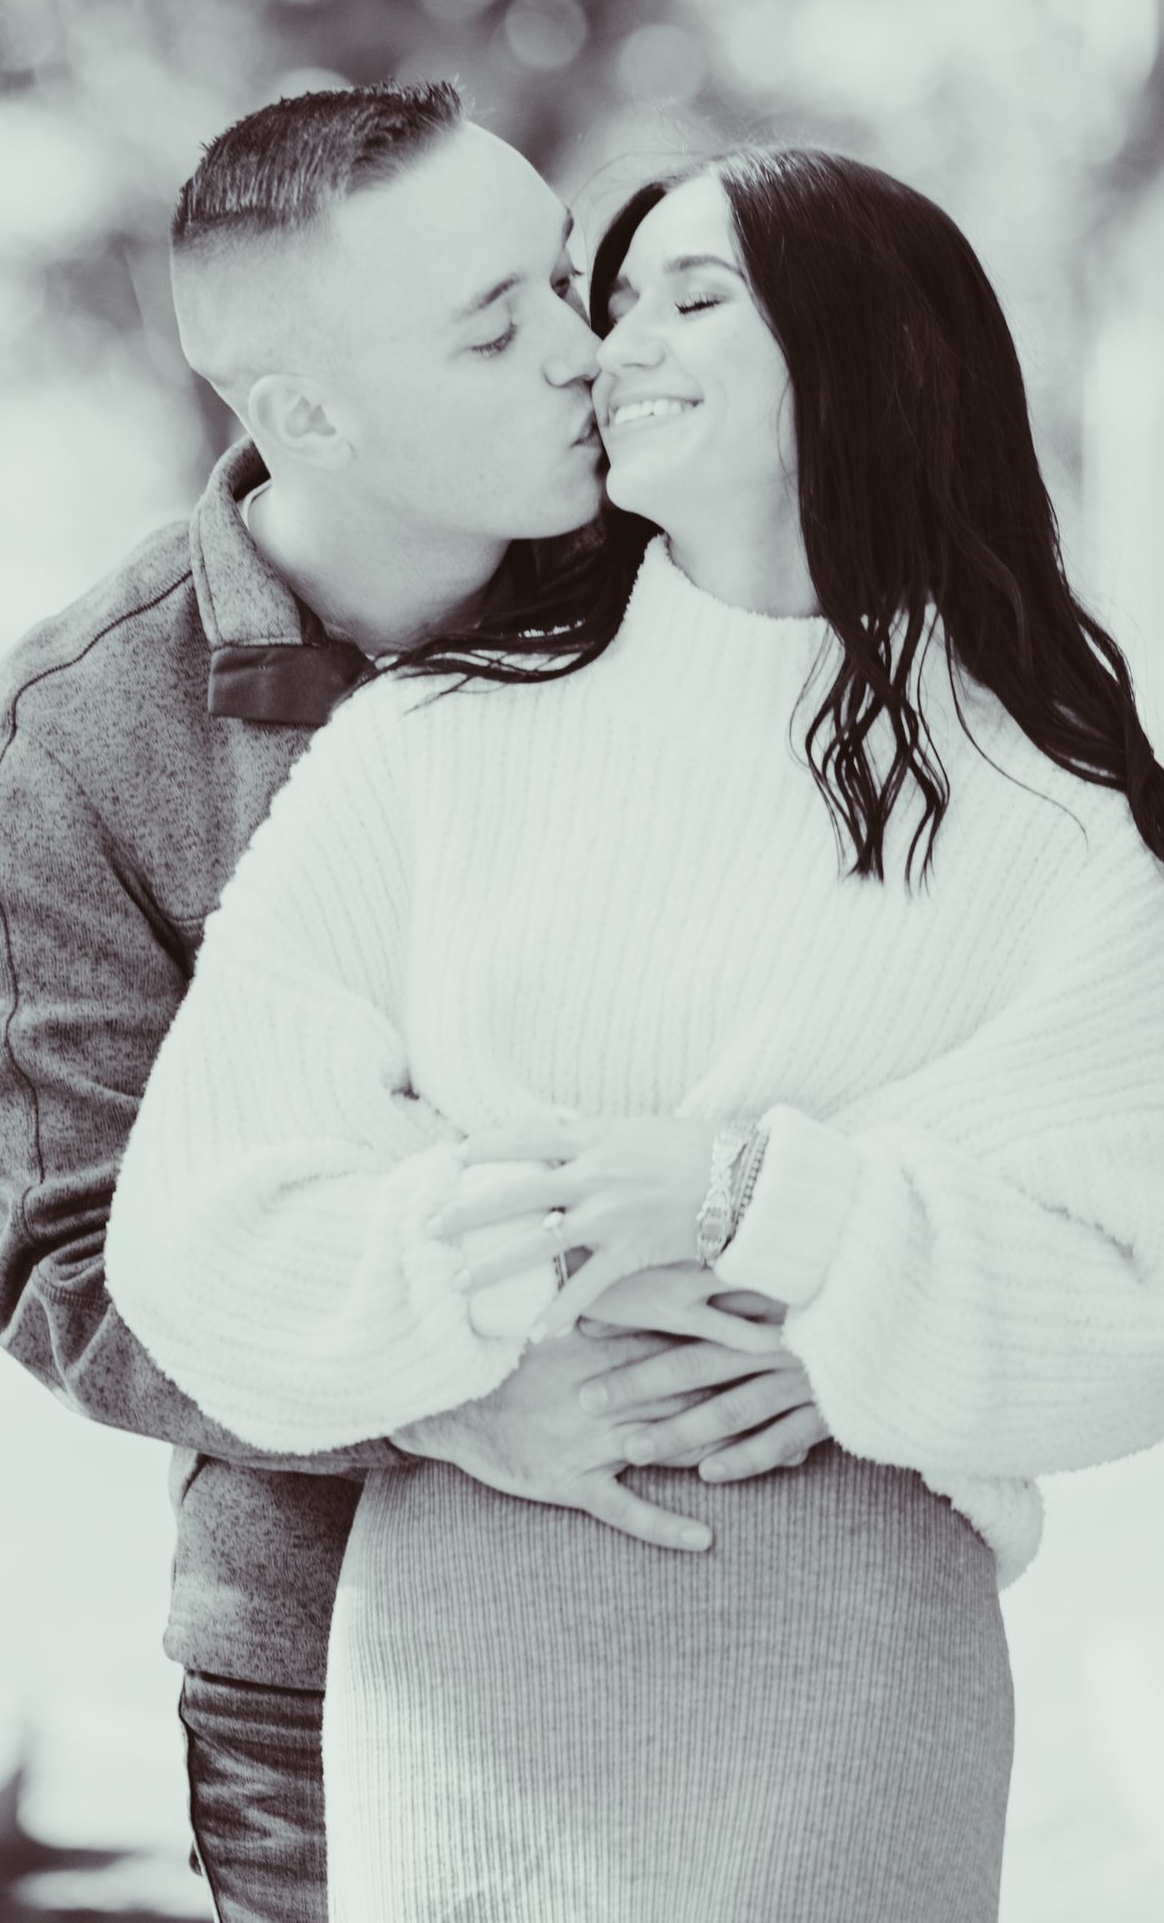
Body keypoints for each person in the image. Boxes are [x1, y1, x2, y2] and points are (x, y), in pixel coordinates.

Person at [107, 144, 1164, 1923]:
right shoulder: (432, 746)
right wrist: (502, 1286)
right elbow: (195, 1230)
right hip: (466, 1645)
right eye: (617, 299)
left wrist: (760, 1201)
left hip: (859, 1651)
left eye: (694, 298)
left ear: (866, 357)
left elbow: (1131, 1309)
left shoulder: (1055, 819)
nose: (609, 348)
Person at [0, 88, 828, 1923]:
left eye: (563, 284)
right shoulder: (83, 733)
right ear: (303, 415)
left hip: (755, 1593)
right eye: (496, 330)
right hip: (321, 1668)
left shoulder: (714, 593)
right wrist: (446, 1404)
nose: (588, 355)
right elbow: (74, 1265)